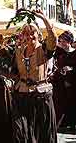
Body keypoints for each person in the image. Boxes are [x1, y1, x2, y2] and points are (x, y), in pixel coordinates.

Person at [11, 10, 57, 142]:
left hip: (40, 97)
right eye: (26, 34)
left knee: (43, 133)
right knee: (21, 132)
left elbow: (53, 38)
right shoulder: (19, 52)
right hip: (22, 96)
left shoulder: (43, 50)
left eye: (32, 33)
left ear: (38, 35)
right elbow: (12, 72)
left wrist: (44, 18)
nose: (29, 36)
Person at [52, 31, 75, 129]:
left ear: (69, 41)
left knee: (72, 102)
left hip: (73, 83)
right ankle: (62, 123)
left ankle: (72, 122)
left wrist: (71, 69)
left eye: (63, 41)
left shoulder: (75, 53)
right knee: (61, 103)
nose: (61, 43)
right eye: (60, 41)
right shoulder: (59, 52)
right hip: (60, 83)